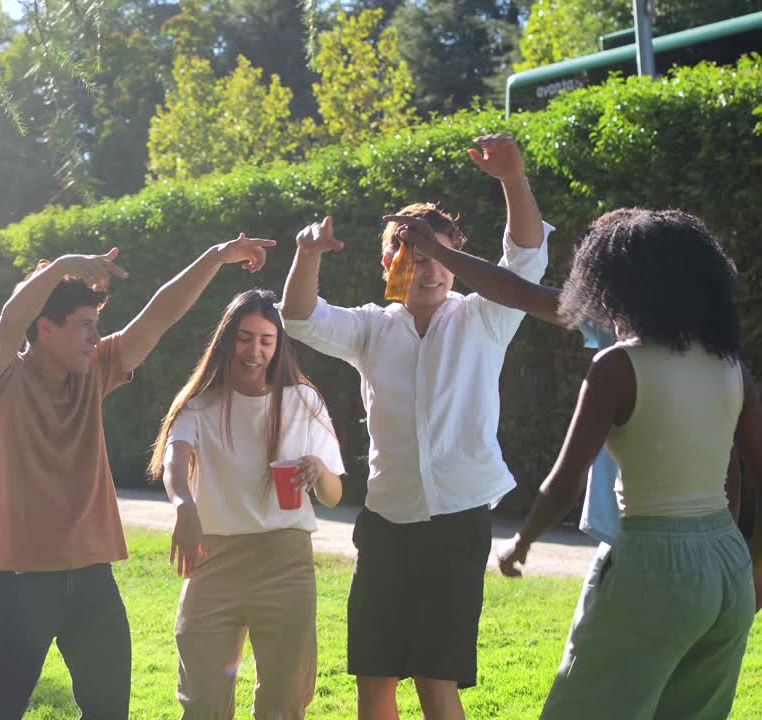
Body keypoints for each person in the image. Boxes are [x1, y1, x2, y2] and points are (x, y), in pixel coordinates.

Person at [280, 134, 551, 720]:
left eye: (439, 255)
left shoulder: (486, 316)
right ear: (390, 263)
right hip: (385, 522)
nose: (428, 269)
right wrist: (308, 253)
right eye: (414, 255)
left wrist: (512, 179)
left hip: (458, 523)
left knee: (435, 678)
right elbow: (299, 317)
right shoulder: (372, 328)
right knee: (375, 677)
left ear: (456, 261)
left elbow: (526, 261)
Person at [0, 232, 275, 719]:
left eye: (98, 325)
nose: (96, 336)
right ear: (45, 329)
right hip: (22, 582)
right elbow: (11, 318)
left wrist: (216, 256)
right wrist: (62, 265)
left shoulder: (93, 370)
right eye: (85, 325)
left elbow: (159, 314)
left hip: (93, 578)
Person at [494, 208, 762, 719]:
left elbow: (565, 481)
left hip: (654, 563)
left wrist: (520, 543)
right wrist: (756, 564)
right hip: (728, 566)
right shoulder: (730, 369)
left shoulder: (617, 365)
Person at [149, 288, 345, 719]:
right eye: (244, 337)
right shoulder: (199, 405)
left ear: (278, 346)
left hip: (285, 560)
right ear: (226, 339)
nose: (253, 350)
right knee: (202, 701)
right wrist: (184, 507)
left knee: (283, 702)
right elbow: (173, 465)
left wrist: (318, 469)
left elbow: (334, 496)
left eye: (265, 340)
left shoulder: (303, 401)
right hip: (214, 561)